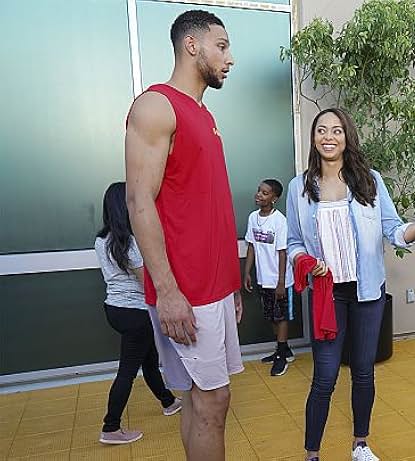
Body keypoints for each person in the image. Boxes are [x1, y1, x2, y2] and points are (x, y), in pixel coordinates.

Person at [287, 108, 415, 461]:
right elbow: (293, 243)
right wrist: (306, 263)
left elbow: (395, 233)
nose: (329, 137)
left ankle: (360, 445)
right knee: (325, 377)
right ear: (313, 138)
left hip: (367, 293)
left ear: (347, 136)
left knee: (363, 372)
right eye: (321, 130)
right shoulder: (298, 187)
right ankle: (312, 454)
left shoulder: (370, 181)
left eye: (336, 130)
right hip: (327, 295)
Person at [124, 10, 242, 461]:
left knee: (202, 399)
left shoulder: (202, 115)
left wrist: (231, 283)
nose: (230, 58)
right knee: (212, 401)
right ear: (192, 46)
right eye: (222, 45)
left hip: (213, 288)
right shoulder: (156, 106)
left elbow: (208, 211)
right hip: (186, 290)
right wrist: (169, 292)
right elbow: (139, 202)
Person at [95, 182, 182, 445]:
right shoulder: (130, 243)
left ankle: (168, 401)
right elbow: (148, 279)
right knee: (128, 371)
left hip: (115, 308)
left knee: (148, 358)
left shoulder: (102, 240)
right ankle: (110, 427)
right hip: (135, 311)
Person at [243, 178, 295, 376]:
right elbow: (251, 246)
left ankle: (281, 356)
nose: (259, 195)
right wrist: (247, 272)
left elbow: (282, 252)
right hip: (263, 278)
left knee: (281, 317)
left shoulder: (279, 221)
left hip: (280, 279)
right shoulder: (252, 217)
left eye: (265, 193)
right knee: (272, 316)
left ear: (275, 198)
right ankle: (284, 349)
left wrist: (281, 282)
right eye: (259, 191)